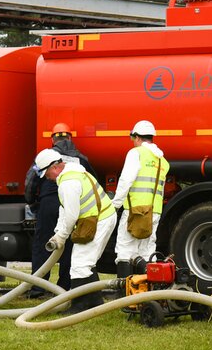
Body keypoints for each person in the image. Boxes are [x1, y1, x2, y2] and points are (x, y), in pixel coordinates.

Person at [35, 148, 117, 314]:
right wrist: (58, 234)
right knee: (85, 261)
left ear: (54, 167)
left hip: (98, 220)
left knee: (80, 263)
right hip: (100, 218)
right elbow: (64, 209)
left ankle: (80, 305)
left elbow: (71, 216)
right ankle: (94, 302)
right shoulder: (72, 174)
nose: (47, 179)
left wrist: (62, 236)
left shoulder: (68, 183)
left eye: (46, 174)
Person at [24, 123, 96, 298]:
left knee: (42, 245)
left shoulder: (45, 158)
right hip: (73, 205)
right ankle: (64, 287)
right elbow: (93, 181)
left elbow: (30, 183)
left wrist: (33, 204)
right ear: (70, 138)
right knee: (69, 246)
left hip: (48, 204)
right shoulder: (82, 159)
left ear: (52, 139)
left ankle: (38, 288)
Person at [111, 120, 169, 282]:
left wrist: (115, 205)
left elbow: (125, 181)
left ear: (137, 137)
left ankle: (124, 291)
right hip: (154, 211)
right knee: (147, 250)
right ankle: (149, 289)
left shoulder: (136, 153)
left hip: (135, 210)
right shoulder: (161, 160)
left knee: (124, 248)